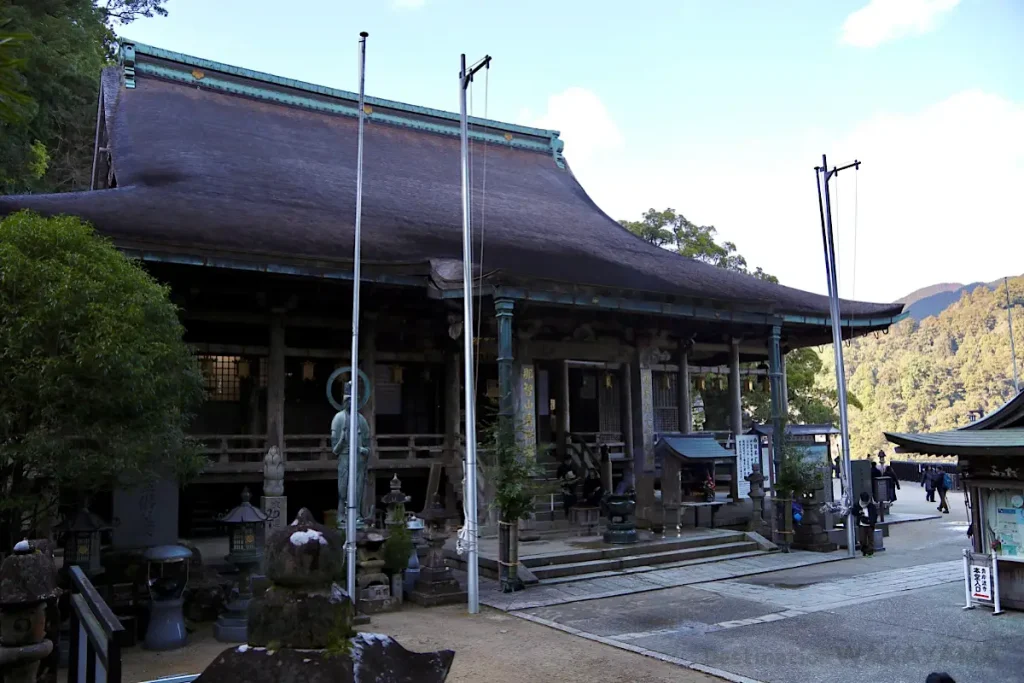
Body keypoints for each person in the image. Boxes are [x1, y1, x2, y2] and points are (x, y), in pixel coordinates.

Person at [852, 491, 878, 557]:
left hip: (870, 524)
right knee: (862, 539)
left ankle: (870, 552)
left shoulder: (871, 506)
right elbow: (853, 512)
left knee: (870, 539)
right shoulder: (857, 505)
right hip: (862, 524)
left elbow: (875, 515)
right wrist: (859, 512)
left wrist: (872, 521)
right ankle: (864, 550)